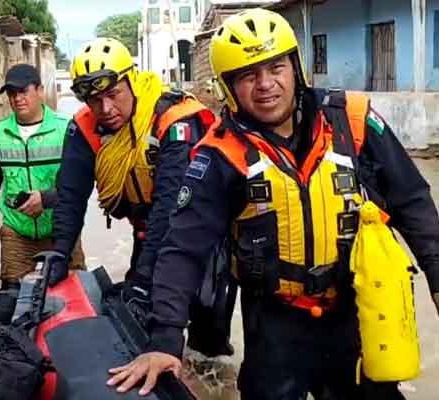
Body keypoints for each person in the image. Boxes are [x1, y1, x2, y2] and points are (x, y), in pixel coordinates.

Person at [107, 9, 439, 399]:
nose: (266, 84)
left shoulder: (353, 121)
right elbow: (183, 247)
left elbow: (413, 201)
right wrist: (164, 338)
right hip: (274, 323)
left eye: (275, 67)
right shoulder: (217, 155)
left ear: (295, 68)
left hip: (357, 311)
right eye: (248, 75)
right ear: (227, 87)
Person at [49, 37, 214, 299]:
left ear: (132, 80)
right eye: (94, 100)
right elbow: (70, 196)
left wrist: (145, 275)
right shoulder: (84, 127)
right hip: (147, 231)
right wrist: (59, 253)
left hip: (196, 231)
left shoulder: (173, 120)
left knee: (204, 324)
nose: (106, 109)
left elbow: (170, 204)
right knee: (137, 313)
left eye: (113, 94)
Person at [0, 64, 84, 291]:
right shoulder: (0, 132)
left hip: (61, 230)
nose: (17, 99)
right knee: (10, 301)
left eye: (24, 91)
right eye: (12, 94)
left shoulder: (67, 129)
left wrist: (46, 199)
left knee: (74, 296)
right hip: (17, 232)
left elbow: (81, 183)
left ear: (40, 91)